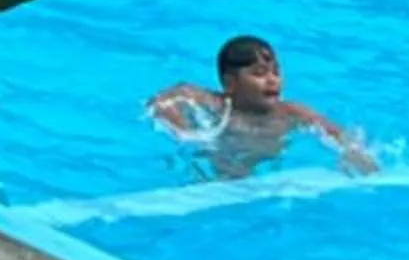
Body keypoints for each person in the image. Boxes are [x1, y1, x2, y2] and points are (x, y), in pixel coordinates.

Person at [147, 34, 376, 177]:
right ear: (230, 83)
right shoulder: (218, 105)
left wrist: (353, 152)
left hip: (264, 162)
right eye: (259, 73)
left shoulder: (289, 113)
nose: (272, 80)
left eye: (276, 72)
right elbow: (163, 101)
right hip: (222, 159)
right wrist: (185, 132)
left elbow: (334, 132)